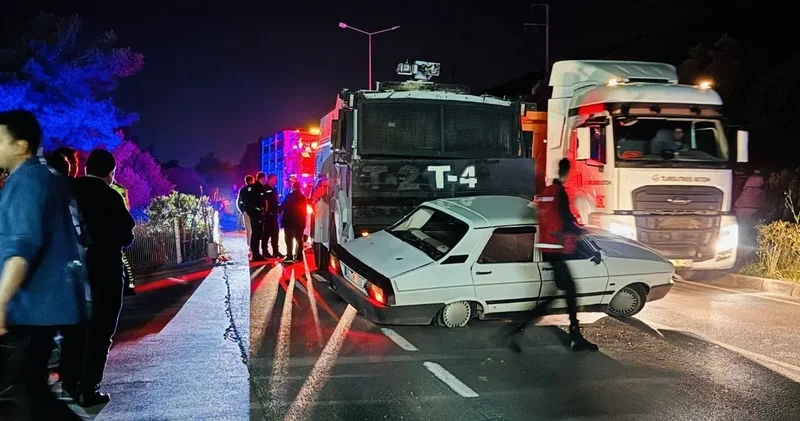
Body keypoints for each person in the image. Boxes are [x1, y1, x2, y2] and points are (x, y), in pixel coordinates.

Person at [0, 110, 89, 420]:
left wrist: (1, 301)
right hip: (43, 304)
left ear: (20, 145)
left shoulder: (27, 180)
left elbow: (22, 245)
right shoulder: (45, 177)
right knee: (31, 391)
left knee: (29, 394)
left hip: (33, 305)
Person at [59, 149, 135, 407]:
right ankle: (88, 388)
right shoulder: (110, 196)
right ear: (110, 173)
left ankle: (69, 384)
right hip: (104, 271)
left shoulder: (68, 190)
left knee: (75, 330)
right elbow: (127, 236)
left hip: (69, 273)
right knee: (101, 330)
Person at [506, 158, 598, 352]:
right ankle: (572, 337)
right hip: (557, 248)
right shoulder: (560, 193)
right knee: (569, 292)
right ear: (567, 173)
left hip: (546, 248)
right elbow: (566, 219)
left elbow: (534, 212)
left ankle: (517, 328)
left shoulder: (547, 192)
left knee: (560, 294)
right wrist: (582, 231)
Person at [281, 181, 308, 262]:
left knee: (289, 239)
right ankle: (299, 256)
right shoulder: (303, 197)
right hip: (300, 222)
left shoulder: (290, 196)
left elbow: (283, 206)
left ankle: (289, 256)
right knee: (299, 239)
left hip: (290, 222)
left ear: (293, 187)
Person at [245, 172, 269, 261]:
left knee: (257, 234)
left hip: (258, 214)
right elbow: (253, 202)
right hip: (256, 214)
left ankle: (256, 254)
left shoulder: (258, 187)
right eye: (265, 178)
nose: (265, 180)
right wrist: (256, 211)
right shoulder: (256, 188)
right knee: (256, 234)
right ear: (262, 178)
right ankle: (256, 254)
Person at [263, 174, 283, 259]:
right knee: (266, 234)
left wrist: (279, 211)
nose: (276, 181)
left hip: (274, 215)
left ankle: (276, 251)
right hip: (268, 215)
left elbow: (277, 201)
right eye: (274, 179)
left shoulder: (274, 189)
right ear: (270, 179)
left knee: (275, 234)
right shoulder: (265, 188)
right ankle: (265, 251)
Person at [238, 175, 255, 243]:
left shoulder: (242, 189)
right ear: (252, 180)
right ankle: (253, 243)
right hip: (254, 212)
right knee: (254, 228)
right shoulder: (255, 189)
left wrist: (243, 211)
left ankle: (249, 243)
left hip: (246, 212)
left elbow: (239, 201)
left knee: (248, 229)